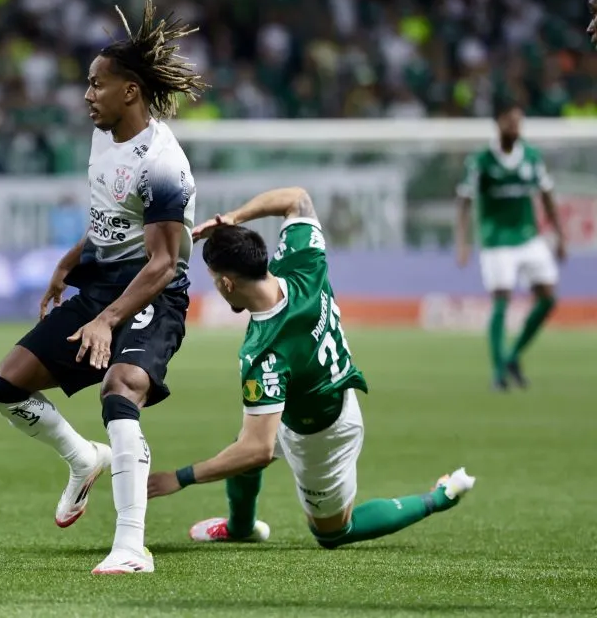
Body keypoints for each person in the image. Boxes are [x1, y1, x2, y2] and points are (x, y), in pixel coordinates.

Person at [0, 0, 207, 575]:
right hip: (100, 284)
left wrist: (108, 319)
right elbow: (111, 216)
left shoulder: (164, 162)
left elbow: (162, 261)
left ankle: (132, 546)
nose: (87, 95)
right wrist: (69, 260)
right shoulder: (104, 137)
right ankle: (84, 458)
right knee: (6, 386)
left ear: (129, 91)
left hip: (151, 294)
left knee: (121, 387)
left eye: (96, 85)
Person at [147, 187, 476, 549]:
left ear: (227, 283)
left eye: (214, 281)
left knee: (333, 532)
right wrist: (233, 220)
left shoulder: (263, 352)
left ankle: (439, 496)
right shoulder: (302, 263)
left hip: (323, 435)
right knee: (242, 444)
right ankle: (240, 527)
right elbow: (297, 199)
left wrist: (180, 478)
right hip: (305, 400)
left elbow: (257, 449)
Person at [456, 103, 565, 391]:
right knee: (502, 299)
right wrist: (463, 242)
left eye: (519, 121)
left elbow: (547, 194)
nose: (516, 127)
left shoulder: (531, 156)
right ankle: (498, 372)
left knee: (549, 298)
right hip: (496, 241)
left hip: (528, 237)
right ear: (498, 123)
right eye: (510, 121)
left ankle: (513, 355)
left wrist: (560, 235)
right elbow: (465, 201)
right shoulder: (481, 160)